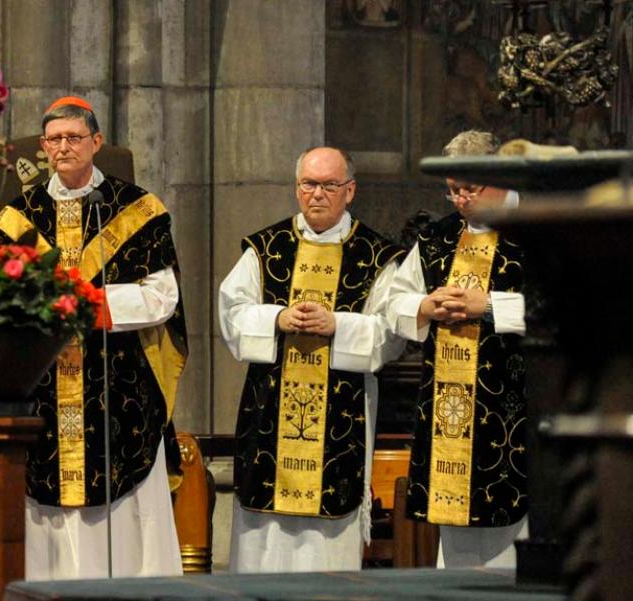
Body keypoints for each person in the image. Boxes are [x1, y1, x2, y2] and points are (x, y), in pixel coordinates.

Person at [0, 96, 188, 580]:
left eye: (74, 137)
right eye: (55, 139)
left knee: (124, 521)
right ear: (43, 147)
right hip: (43, 385)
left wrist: (92, 304)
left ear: (96, 142)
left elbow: (163, 298)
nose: (64, 146)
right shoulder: (17, 217)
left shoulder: (136, 208)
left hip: (118, 384)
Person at [219, 146, 406, 573]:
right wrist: (279, 317)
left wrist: (337, 325)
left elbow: (391, 334)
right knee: (263, 541)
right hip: (269, 415)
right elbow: (231, 315)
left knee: (327, 551)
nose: (316, 194)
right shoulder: (265, 248)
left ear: (350, 190)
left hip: (340, 421)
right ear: (296, 188)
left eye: (328, 185)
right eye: (308, 184)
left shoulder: (376, 255)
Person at [386, 130, 528, 568]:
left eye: (470, 187)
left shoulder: (540, 228)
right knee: (459, 558)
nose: (461, 200)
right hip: (450, 412)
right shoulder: (436, 239)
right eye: (452, 191)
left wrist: (488, 307)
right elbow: (392, 302)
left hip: (515, 407)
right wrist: (425, 305)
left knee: (519, 552)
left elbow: (570, 307)